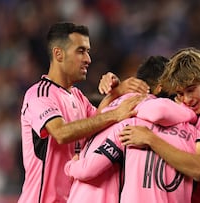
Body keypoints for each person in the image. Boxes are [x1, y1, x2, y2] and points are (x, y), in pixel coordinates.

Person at [18, 22, 149, 203]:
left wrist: (117, 91)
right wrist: (115, 113)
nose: (88, 59)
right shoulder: (39, 94)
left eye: (87, 51)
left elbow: (97, 126)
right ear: (58, 54)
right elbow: (61, 133)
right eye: (81, 51)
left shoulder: (78, 97)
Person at [64, 55, 200, 203]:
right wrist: (191, 113)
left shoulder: (111, 107)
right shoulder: (135, 111)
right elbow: (159, 111)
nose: (177, 96)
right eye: (175, 90)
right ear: (161, 87)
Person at [119, 47, 200, 202]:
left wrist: (150, 139)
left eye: (191, 90)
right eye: (180, 93)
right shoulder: (197, 109)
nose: (186, 99)